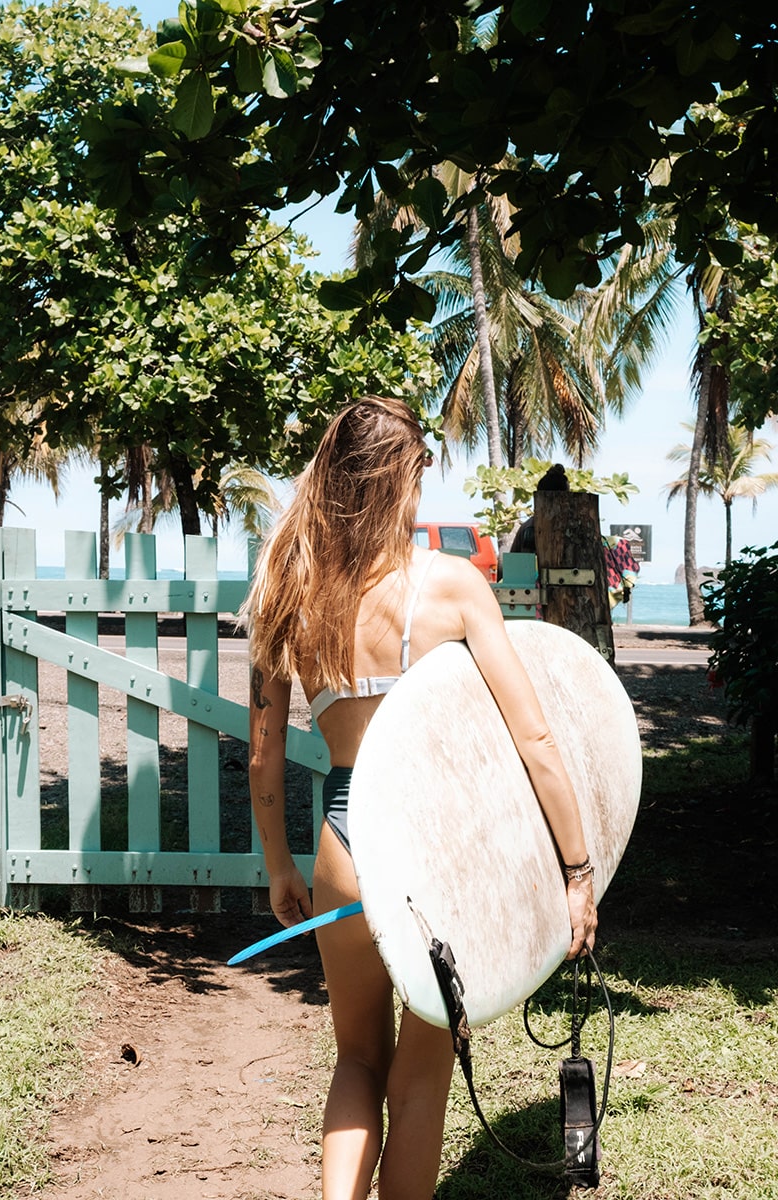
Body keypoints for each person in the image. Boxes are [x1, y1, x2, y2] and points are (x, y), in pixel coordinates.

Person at [243, 397, 597, 1200]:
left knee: (356, 1057)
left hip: (344, 838)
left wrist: (278, 868)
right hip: (437, 853)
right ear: (401, 477)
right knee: (423, 1069)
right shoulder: (450, 587)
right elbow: (534, 738)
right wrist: (577, 869)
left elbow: (264, 757)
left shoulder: (287, 588)